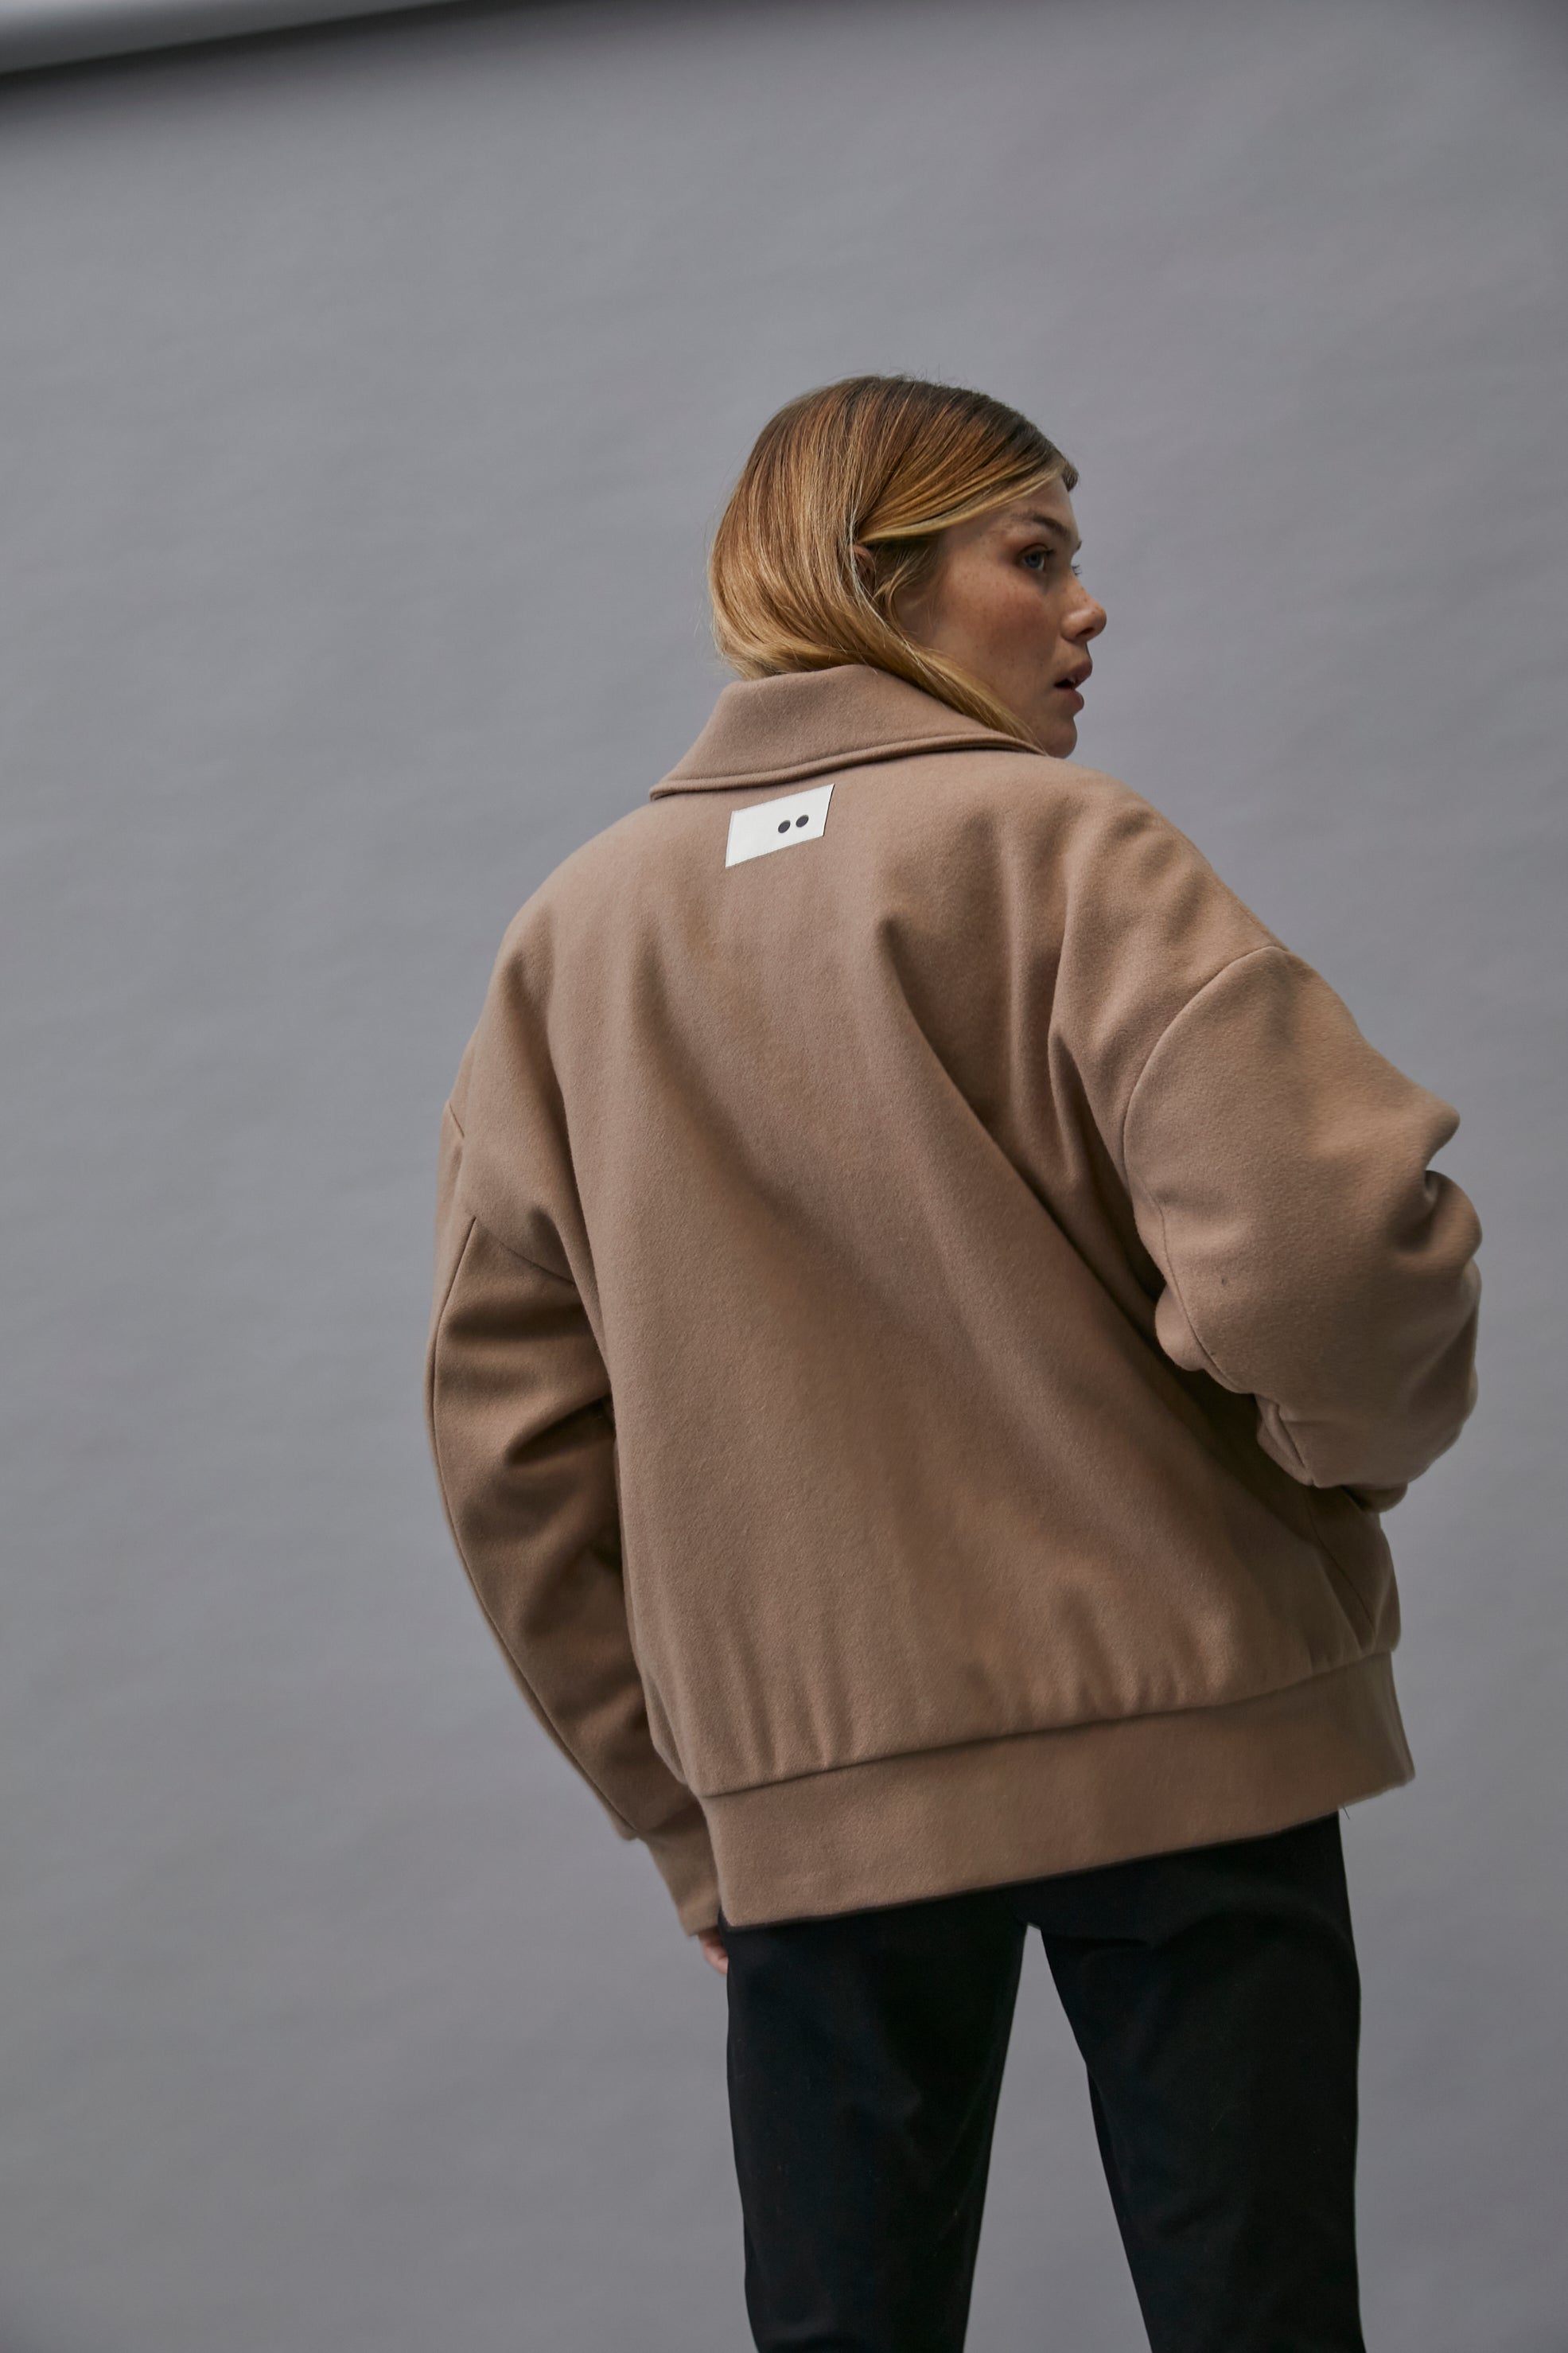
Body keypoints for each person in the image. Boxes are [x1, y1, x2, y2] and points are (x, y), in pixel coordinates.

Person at [423, 375, 1482, 2352]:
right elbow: (1325, 1249)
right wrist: (1335, 1463)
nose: (1085, 608)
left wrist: (687, 1808)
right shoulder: (1066, 851)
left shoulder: (569, 944)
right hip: (1194, 1722)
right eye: (1036, 552)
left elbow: (512, 1447)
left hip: (810, 1788)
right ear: (872, 574)